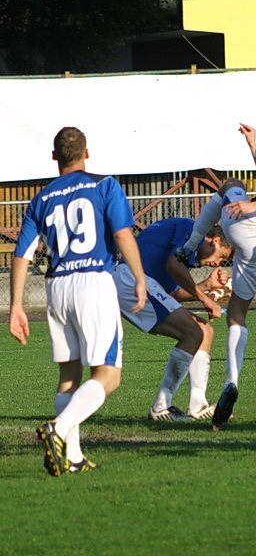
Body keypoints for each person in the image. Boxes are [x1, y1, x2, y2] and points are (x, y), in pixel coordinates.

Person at [9, 127, 147, 476]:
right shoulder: (104, 184)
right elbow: (121, 233)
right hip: (93, 281)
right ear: (87, 152)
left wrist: (16, 307)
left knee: (69, 374)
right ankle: (57, 427)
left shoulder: (40, 199)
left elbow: (22, 255)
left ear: (54, 157)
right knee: (108, 374)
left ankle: (71, 457)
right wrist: (140, 276)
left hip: (57, 286)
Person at [114, 218, 233, 421]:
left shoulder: (183, 253)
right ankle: (161, 405)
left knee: (205, 331)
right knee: (192, 332)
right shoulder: (190, 229)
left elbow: (172, 294)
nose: (218, 263)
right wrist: (205, 299)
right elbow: (173, 266)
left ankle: (198, 404)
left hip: (142, 283)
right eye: (221, 256)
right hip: (131, 280)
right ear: (213, 240)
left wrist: (206, 285)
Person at [176, 179, 256, 429]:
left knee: (231, 183)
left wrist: (254, 204)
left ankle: (231, 382)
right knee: (238, 314)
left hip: (249, 224)